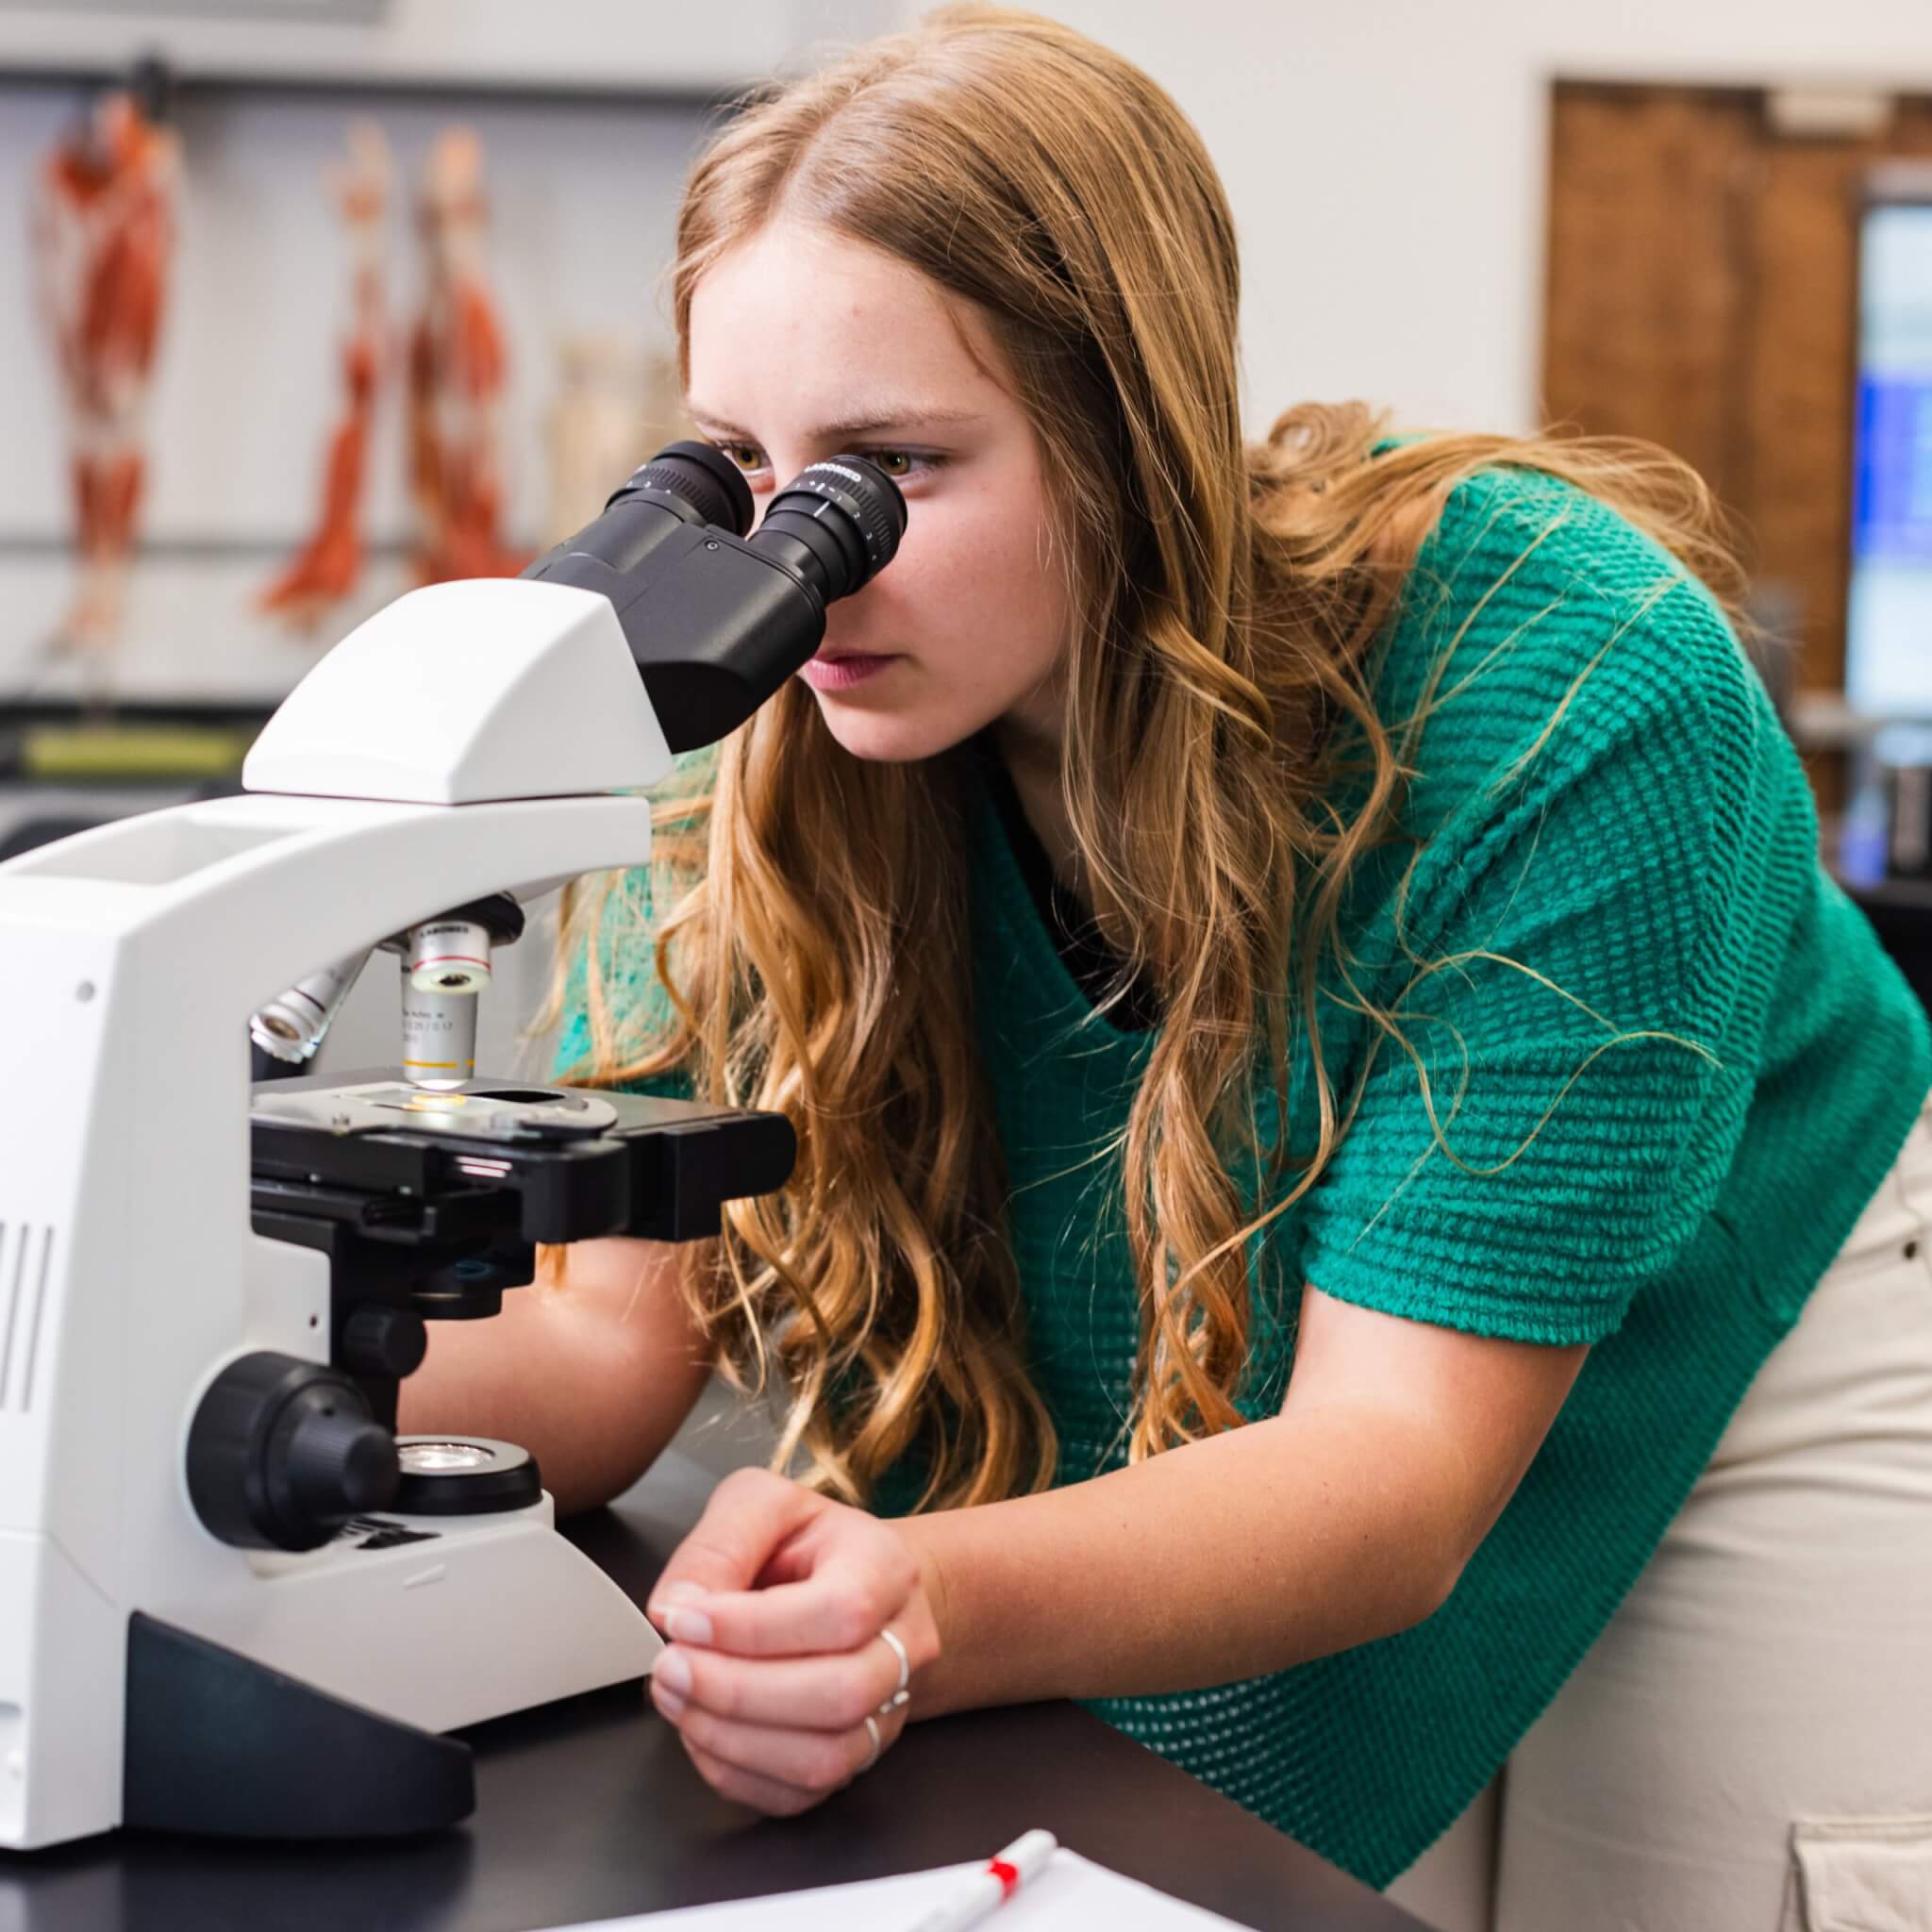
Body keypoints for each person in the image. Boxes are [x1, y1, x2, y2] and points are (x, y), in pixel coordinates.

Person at [398, 10, 1932, 1926]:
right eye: (738, 472)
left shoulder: (1563, 681)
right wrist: (194, 1385)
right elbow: (611, 1335)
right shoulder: (745, 704)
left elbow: (1387, 1467)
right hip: (1289, 1364)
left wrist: (932, 1593)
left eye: (889, 474)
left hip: (1751, 1310)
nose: (799, 572)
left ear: (1127, 436)